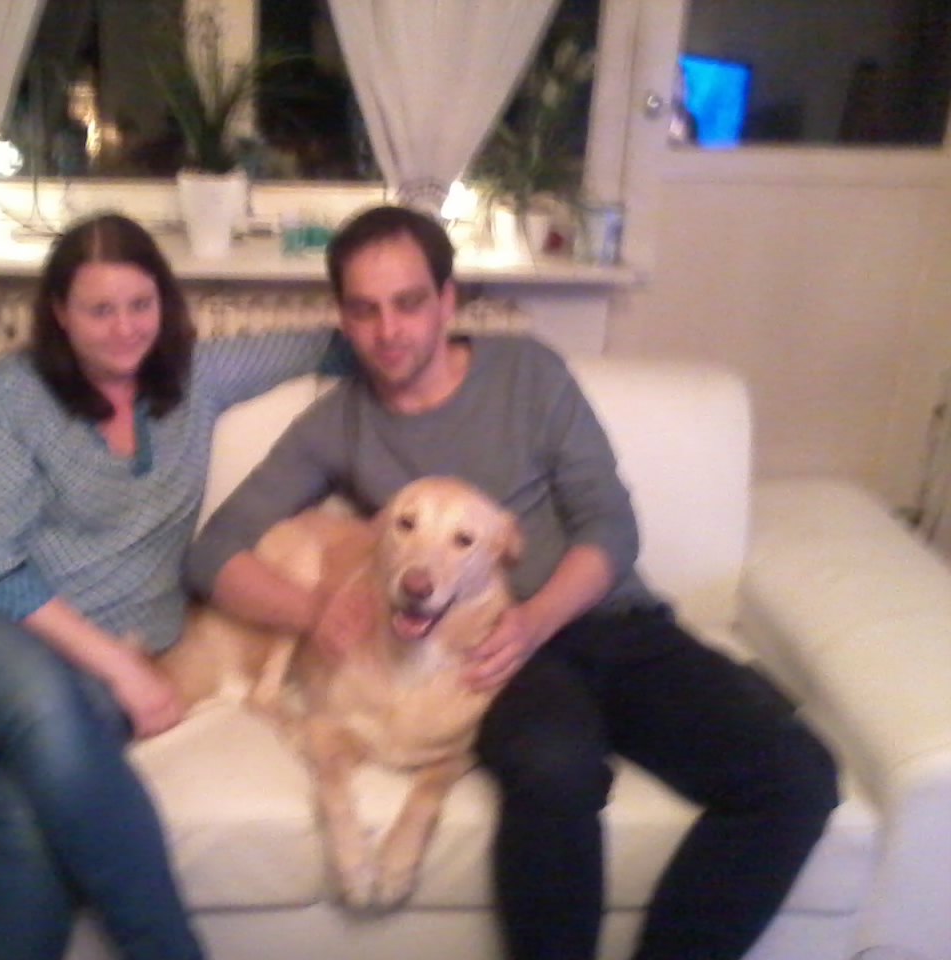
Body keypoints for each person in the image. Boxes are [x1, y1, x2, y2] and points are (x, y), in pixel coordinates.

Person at [184, 204, 840, 960]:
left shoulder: (528, 372)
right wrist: (312, 609)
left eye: (408, 303)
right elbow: (213, 552)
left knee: (797, 777)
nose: (389, 330)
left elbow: (610, 525)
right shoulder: (337, 423)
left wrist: (536, 619)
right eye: (364, 310)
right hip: (491, 660)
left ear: (447, 301)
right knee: (554, 770)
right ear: (343, 317)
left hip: (608, 621)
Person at [0, 212, 344, 960]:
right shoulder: (11, 393)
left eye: (140, 304)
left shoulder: (194, 378)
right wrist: (121, 667)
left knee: (25, 805)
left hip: (94, 660)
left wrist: (455, 354)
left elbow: (328, 342)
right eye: (100, 310)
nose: (126, 329)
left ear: (164, 302)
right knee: (43, 698)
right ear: (59, 313)